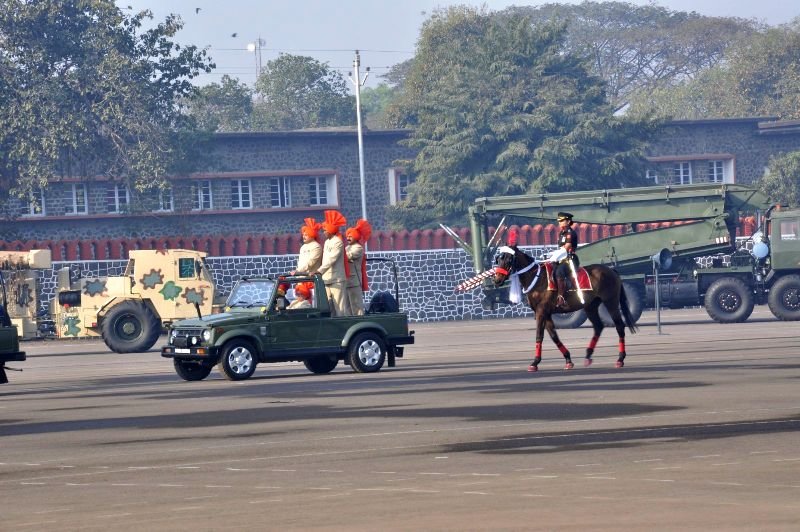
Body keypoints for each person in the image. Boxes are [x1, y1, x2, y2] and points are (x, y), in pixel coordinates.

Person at [315, 210, 349, 316]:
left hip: (337, 279)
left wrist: (319, 270)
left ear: (331, 230)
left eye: (325, 230)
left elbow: (331, 259)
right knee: (329, 308)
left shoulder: (338, 242)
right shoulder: (327, 242)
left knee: (340, 308)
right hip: (327, 279)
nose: (324, 232)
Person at [344, 218, 372, 316]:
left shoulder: (358, 248)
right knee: (347, 307)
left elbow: (347, 257)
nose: (348, 238)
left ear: (355, 237)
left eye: (350, 236)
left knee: (356, 306)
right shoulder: (347, 248)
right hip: (347, 281)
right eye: (347, 236)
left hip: (354, 281)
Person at [553, 211, 579, 308]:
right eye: (559, 221)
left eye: (562, 220)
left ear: (568, 221)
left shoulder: (570, 232)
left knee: (559, 271)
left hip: (570, 260)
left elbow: (567, 246)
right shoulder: (562, 233)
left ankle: (561, 298)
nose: (559, 222)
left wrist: (556, 255)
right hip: (561, 259)